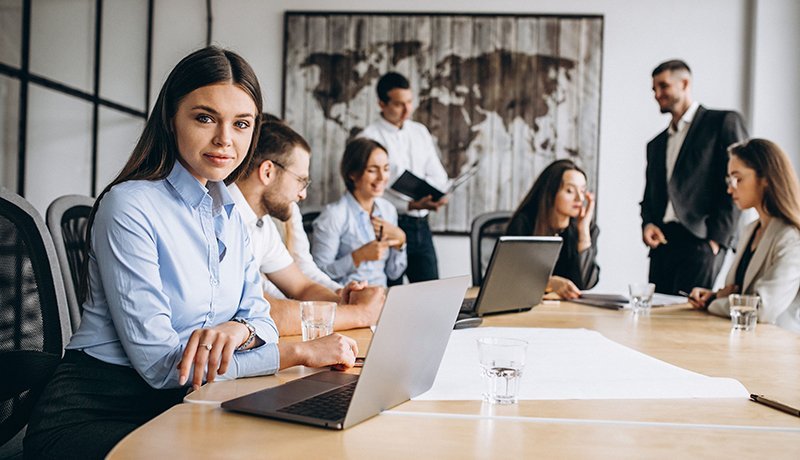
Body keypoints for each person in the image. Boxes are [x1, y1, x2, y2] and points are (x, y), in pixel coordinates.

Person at [23, 47, 357, 459]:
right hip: (97, 415)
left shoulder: (232, 213)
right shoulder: (129, 206)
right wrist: (299, 352)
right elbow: (165, 368)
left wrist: (242, 330)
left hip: (185, 408)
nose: (225, 139)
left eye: (241, 124)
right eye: (204, 118)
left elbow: (260, 317)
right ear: (170, 118)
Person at [229, 117, 384, 336]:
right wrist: (359, 313)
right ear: (267, 172)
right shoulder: (223, 221)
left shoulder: (262, 225)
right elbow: (259, 314)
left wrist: (343, 300)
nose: (303, 195)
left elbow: (302, 286)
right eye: (301, 181)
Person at [640, 59, 748, 295]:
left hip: (701, 241)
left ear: (685, 83)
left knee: (688, 322)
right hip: (662, 245)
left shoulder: (722, 122)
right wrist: (648, 223)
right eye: (654, 89)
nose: (657, 94)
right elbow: (649, 194)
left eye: (664, 86)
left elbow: (740, 181)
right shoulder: (656, 144)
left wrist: (716, 242)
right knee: (656, 322)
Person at [688, 139, 800, 333]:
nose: (730, 189)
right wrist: (714, 296)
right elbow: (740, 294)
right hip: (743, 341)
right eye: (729, 180)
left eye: (738, 179)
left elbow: (761, 309)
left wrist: (714, 303)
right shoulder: (750, 230)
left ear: (766, 178)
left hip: (776, 349)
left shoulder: (791, 238)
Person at [359, 71, 448, 284]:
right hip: (388, 225)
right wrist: (410, 205)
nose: (407, 110)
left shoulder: (420, 132)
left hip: (422, 227)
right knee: (392, 296)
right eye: (399, 104)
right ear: (382, 103)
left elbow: (438, 175)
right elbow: (368, 192)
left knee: (432, 293)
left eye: (410, 102)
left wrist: (434, 198)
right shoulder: (368, 138)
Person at [312, 138, 407, 287]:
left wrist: (401, 242)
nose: (382, 177)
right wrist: (357, 257)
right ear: (353, 174)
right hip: (347, 300)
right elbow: (318, 274)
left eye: (386, 169)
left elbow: (394, 273)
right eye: (372, 170)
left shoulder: (388, 211)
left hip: (381, 298)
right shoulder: (333, 216)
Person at [506, 159, 599, 299]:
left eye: (582, 191)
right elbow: (511, 279)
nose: (579, 198)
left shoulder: (585, 228)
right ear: (551, 192)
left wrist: (584, 231)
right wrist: (549, 283)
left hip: (570, 315)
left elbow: (586, 284)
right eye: (570, 191)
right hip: (529, 311)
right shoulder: (524, 223)